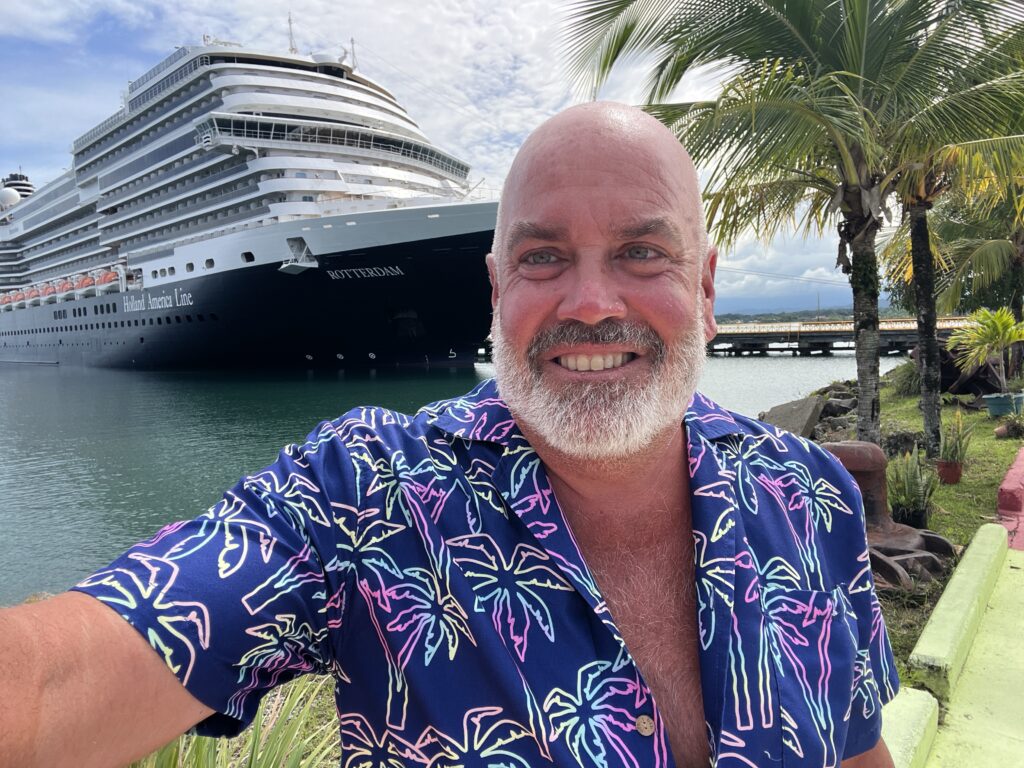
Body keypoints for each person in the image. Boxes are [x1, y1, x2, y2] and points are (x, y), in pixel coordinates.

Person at [0, 102, 898, 768]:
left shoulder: (808, 492)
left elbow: (857, 748)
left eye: (642, 252)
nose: (590, 303)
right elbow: (49, 685)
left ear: (704, 288)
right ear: (495, 285)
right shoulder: (364, 493)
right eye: (542, 256)